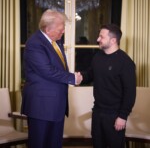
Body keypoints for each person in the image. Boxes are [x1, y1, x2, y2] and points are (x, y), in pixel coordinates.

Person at [21, 9, 82, 148]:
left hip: (56, 105)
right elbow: (47, 71)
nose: (63, 32)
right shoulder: (35, 43)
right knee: (39, 144)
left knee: (54, 144)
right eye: (61, 29)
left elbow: (57, 68)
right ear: (48, 29)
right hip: (41, 106)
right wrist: (72, 78)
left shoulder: (56, 41)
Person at [81, 24, 136, 148]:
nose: (98, 39)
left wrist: (122, 116)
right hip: (98, 111)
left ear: (113, 40)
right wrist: (78, 77)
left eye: (101, 37)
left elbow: (130, 93)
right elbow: (90, 75)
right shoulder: (98, 56)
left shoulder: (126, 62)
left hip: (115, 115)